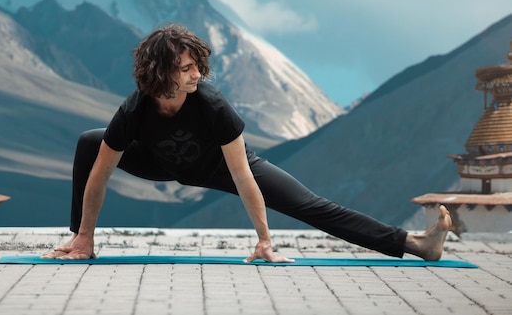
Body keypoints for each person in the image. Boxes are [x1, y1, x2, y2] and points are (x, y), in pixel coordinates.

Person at [43, 23, 453, 262]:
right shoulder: (135, 110)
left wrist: (264, 239)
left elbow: (242, 175)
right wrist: (87, 235)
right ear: (161, 73)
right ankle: (79, 241)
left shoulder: (210, 103)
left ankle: (416, 244)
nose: (195, 74)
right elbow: (99, 175)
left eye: (196, 66)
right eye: (185, 69)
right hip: (160, 161)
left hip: (221, 166)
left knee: (311, 206)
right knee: (89, 143)